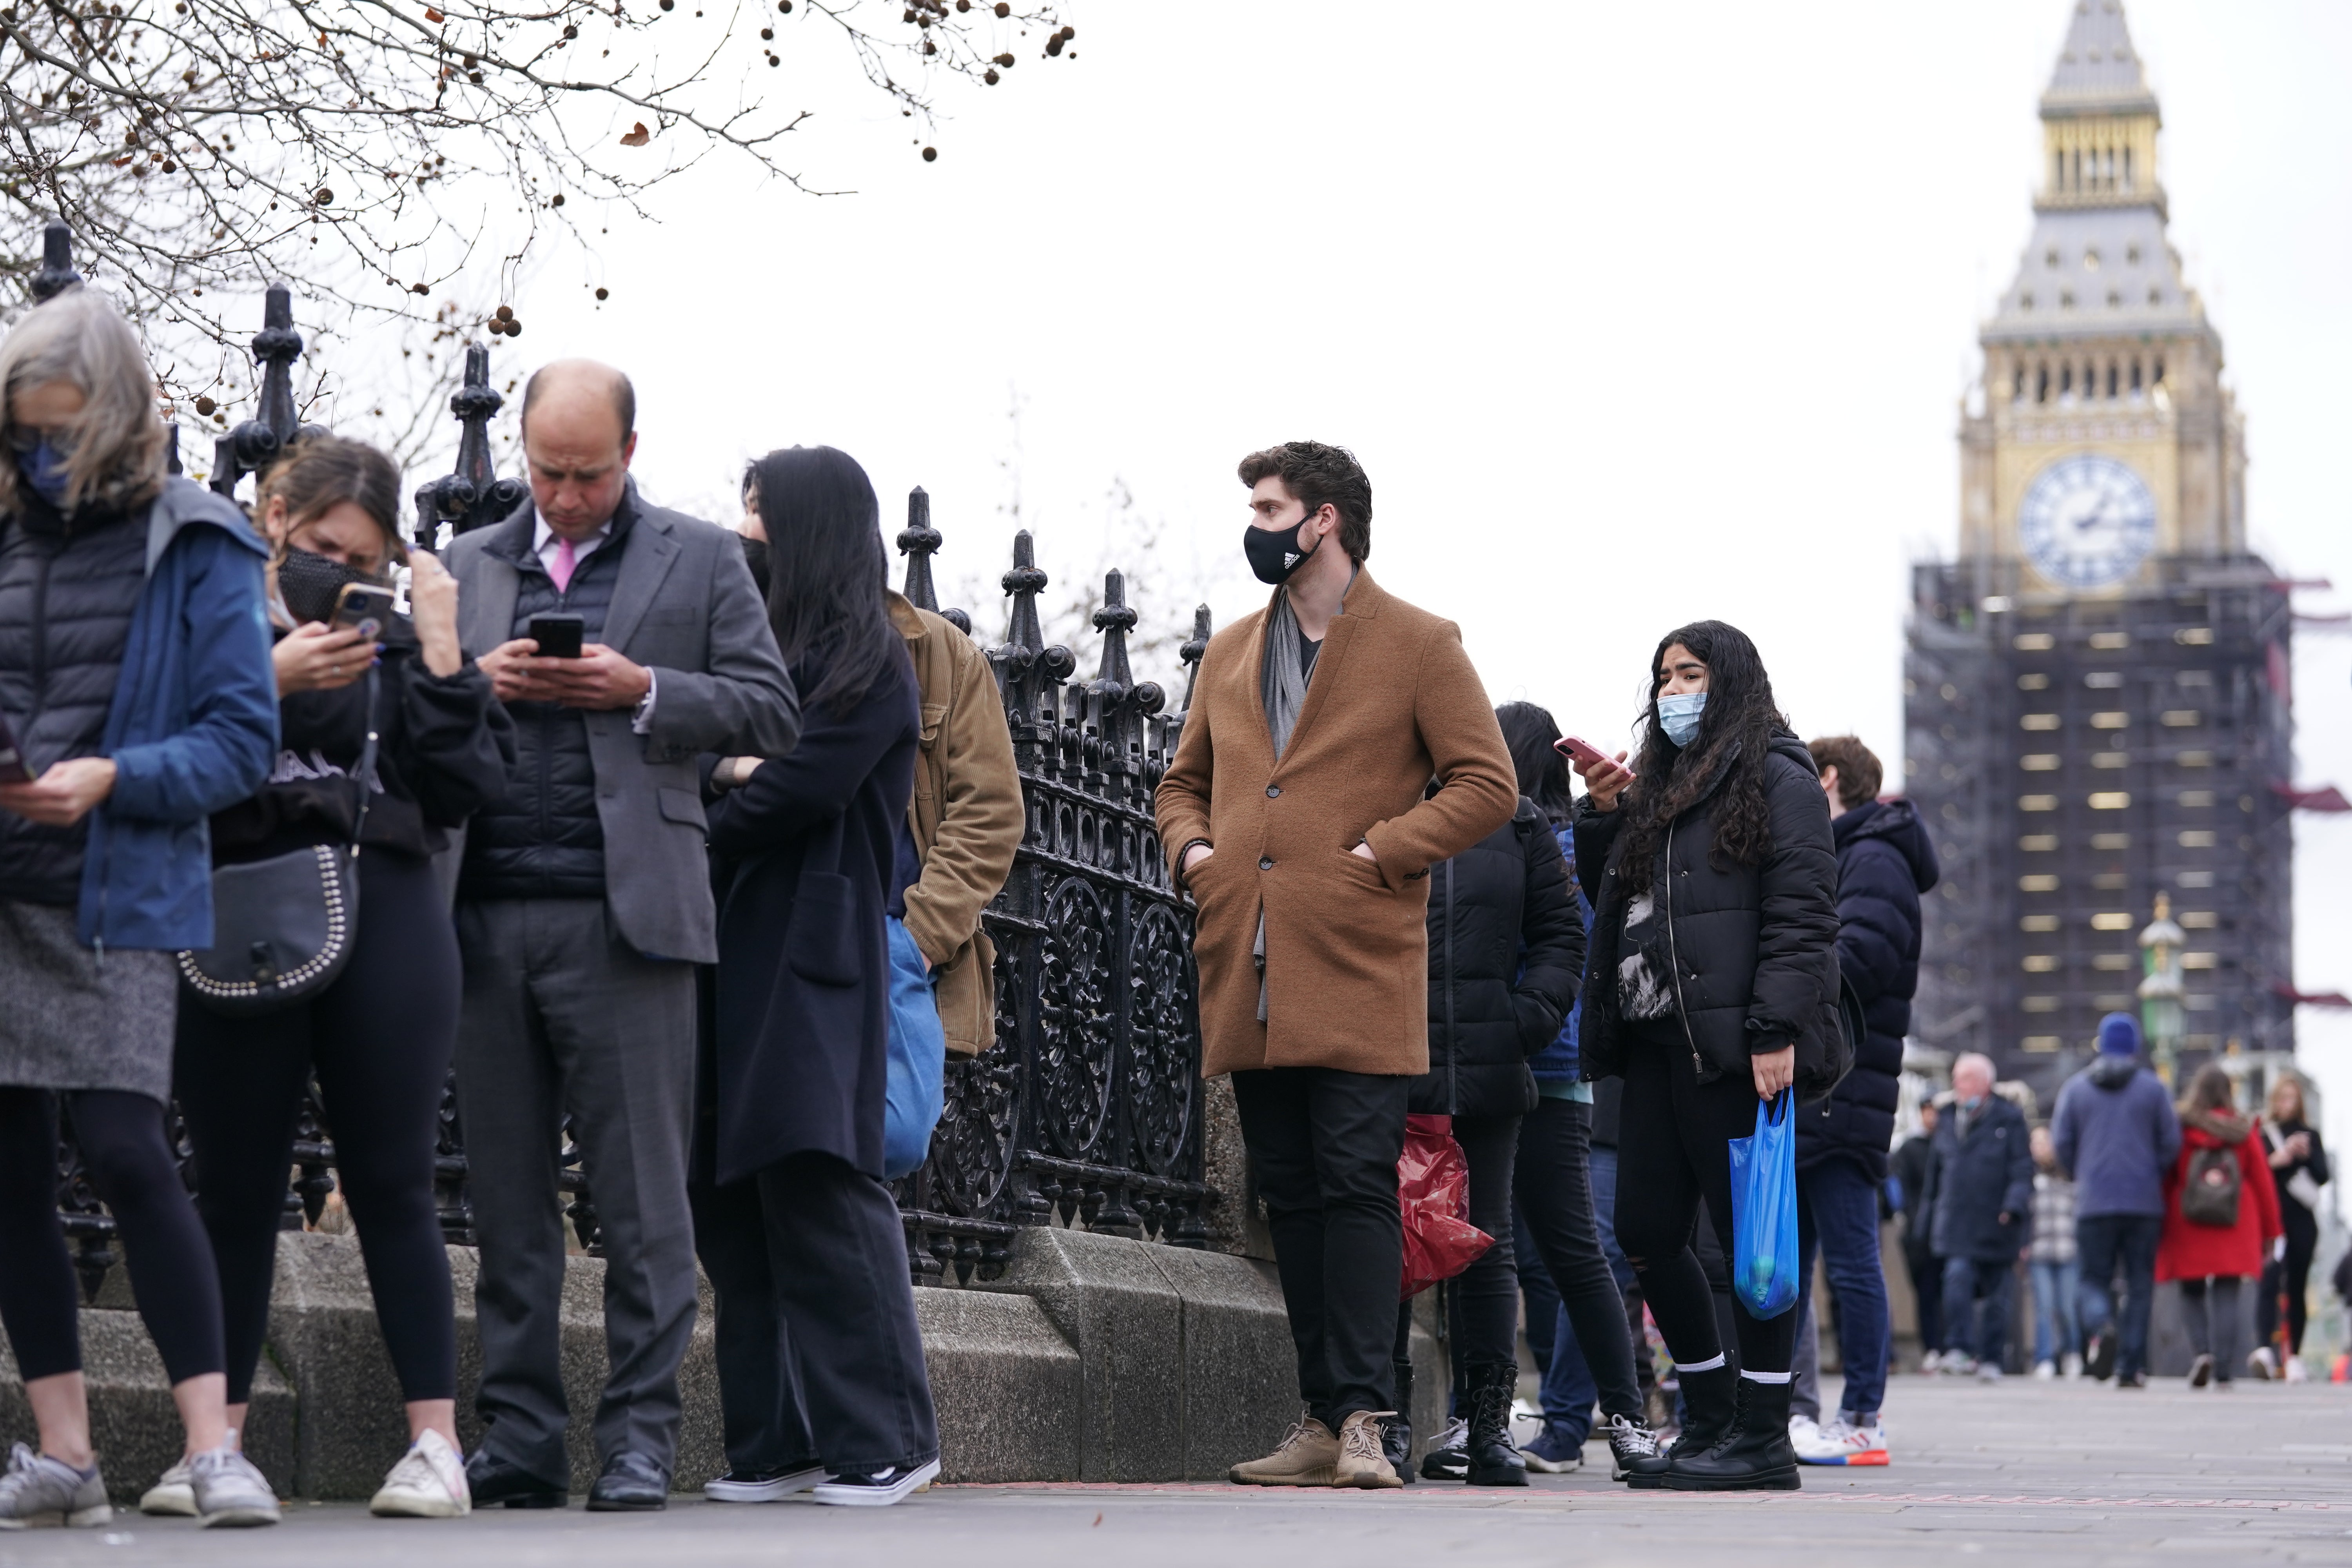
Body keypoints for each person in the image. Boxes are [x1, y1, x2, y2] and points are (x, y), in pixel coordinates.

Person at [445, 359, 799, 1511]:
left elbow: (768, 707)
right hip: (485, 916)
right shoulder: (464, 563)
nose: (562, 495)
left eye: (586, 474)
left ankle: (640, 1439)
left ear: (628, 456)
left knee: (645, 1204)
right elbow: (413, 724)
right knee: (505, 1203)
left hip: (628, 922)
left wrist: (645, 688)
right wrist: (471, 686)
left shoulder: (699, 557)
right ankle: (522, 1437)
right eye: (545, 472)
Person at [1155, 441, 1516, 1490]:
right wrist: (1197, 855)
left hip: (1358, 955)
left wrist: (1382, 852)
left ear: (1324, 522)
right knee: (1293, 1195)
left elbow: (1485, 782)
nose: (1255, 524)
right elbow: (1182, 785)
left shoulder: (1417, 641)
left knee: (1360, 1183)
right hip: (1250, 962)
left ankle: (1369, 1419)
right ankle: (1320, 1418)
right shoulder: (1230, 652)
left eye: (1270, 508)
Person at [167, 437, 515, 1520]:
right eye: (320, 546)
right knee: (233, 1184)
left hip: (391, 910)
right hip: (238, 908)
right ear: (273, 517)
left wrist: (444, 646)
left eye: (360, 557)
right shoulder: (201, 622)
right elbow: (150, 754)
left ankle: (435, 1446)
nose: (336, 570)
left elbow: (465, 790)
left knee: (395, 1184)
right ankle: (214, 1447)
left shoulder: (402, 643)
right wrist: (262, 683)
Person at [0, 287, 281, 1528]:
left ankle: (214, 1443)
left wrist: (117, 777)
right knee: (4, 1174)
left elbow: (241, 743)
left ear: (118, 420)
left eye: (63, 435)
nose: (44, 461)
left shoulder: (200, 541)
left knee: (124, 1150)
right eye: (24, 436)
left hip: (115, 888)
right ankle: (62, 1449)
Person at [690, 446, 942, 1505]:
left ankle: (886, 1436)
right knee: (728, 1193)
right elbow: (722, 761)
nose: (743, 531)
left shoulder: (872, 659)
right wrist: (734, 768)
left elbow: (798, 792)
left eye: (758, 512)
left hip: (814, 956)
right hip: (725, 950)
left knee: (820, 1183)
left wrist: (724, 782)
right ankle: (774, 1440)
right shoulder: (756, 649)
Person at [1566, 620, 1842, 1493]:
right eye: (1664, 677)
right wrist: (1606, 816)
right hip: (1655, 1040)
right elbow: (1628, 900)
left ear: (1731, 681)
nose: (1674, 690)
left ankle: (1763, 1433)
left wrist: (1775, 1029)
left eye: (1690, 674)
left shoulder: (1778, 773)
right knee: (1646, 1228)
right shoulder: (1664, 782)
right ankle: (1712, 1412)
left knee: (1752, 1240)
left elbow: (1803, 910)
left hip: (1734, 1043)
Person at [1390, 715, 1584, 1488]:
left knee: (1487, 1244)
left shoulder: (1515, 814)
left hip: (1490, 1061)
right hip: (1389, 1057)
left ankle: (1487, 1428)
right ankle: (1388, 1419)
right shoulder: (1381, 790)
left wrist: (1523, 1019)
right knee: (1386, 1235)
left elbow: (1560, 933)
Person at [1490, 701, 1657, 1482]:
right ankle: (1600, 1416)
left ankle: (1559, 1420)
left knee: (1553, 1253)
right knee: (1560, 1255)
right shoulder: (1572, 842)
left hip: (1540, 1066)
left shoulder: (1539, 845)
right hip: (1569, 1070)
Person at [1789, 735, 1933, 1466]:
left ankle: (1864, 1418)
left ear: (1832, 779)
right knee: (1804, 1260)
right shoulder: (1856, 853)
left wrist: (1786, 970)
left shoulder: (1873, 855)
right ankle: (1802, 1412)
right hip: (1830, 1088)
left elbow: (1865, 959)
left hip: (1844, 1090)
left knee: (1849, 1262)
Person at [2051, 1012, 2181, 1387]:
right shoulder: (2153, 1089)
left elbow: (2061, 1143)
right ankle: (2130, 1367)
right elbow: (2171, 1142)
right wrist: (2148, 1171)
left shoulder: (2075, 1089)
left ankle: (2101, 1324)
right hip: (2143, 1203)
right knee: (2140, 1285)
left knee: (2093, 1279)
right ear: (2135, 1047)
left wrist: (2084, 1173)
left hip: (2093, 1201)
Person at [2157, 1064, 2282, 1390]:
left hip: (2188, 1218)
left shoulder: (2180, 1127)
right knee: (2228, 1292)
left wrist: (2159, 1219)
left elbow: (2167, 1173)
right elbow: (2263, 1182)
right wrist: (2272, 1231)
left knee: (2191, 1290)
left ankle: (2203, 1353)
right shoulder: (2243, 1129)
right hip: (2235, 1221)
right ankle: (2224, 1368)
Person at [1923, 1053, 2030, 1381]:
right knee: (1956, 1280)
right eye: (1956, 1077)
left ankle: (1992, 1357)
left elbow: (2022, 1171)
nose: (1957, 1084)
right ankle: (1960, 1348)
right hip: (1956, 1221)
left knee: (1998, 1296)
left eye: (1965, 1078)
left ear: (1984, 1083)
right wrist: (1925, 1221)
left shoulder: (2010, 1119)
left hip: (1998, 1222)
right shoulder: (1945, 1118)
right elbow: (1934, 1175)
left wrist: (2013, 1208)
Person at [2252, 1075, 2327, 1381]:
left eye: (2292, 1098)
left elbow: (2323, 1176)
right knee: (2268, 1284)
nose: (2287, 1104)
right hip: (2271, 1222)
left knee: (2296, 1287)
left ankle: (2294, 1354)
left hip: (2301, 1223)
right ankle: (2264, 1352)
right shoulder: (2263, 1134)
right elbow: (2254, 1175)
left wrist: (2304, 1156)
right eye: (2282, 1097)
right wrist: (2277, 1159)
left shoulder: (2310, 1135)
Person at [1889, 1101, 1943, 1370]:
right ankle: (1932, 1348)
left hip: (1945, 1231)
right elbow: (1900, 1190)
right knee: (1926, 1293)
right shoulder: (1910, 1148)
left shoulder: (1948, 1145)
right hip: (1918, 1235)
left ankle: (1946, 1347)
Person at [2026, 1124, 2081, 1380]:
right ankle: (2045, 1357)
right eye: (2035, 1143)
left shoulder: (2070, 1172)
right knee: (2044, 1307)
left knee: (2068, 1307)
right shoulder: (2026, 1175)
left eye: (2045, 1142)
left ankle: (2072, 1353)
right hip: (2039, 1251)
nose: (2040, 1148)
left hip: (2068, 1249)